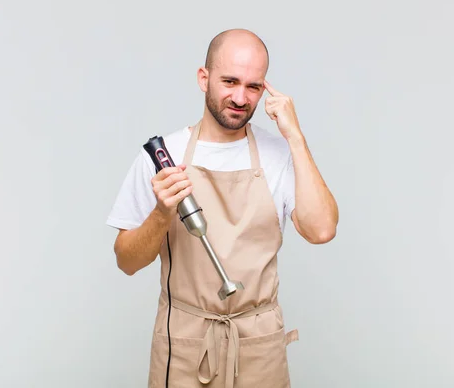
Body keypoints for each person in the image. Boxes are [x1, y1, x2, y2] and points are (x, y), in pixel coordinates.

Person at [106, 29, 339, 388]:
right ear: (204, 78)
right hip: (186, 347)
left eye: (253, 87)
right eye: (229, 81)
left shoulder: (280, 155)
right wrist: (161, 214)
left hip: (259, 346)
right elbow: (127, 261)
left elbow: (321, 230)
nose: (240, 97)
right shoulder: (162, 157)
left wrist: (295, 137)